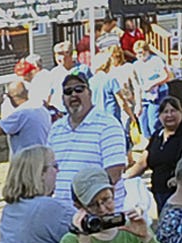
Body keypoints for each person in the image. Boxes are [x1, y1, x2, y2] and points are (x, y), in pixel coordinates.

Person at [50, 70, 129, 206]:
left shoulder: (108, 125)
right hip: (63, 215)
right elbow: (48, 169)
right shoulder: (56, 129)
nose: (73, 94)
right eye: (68, 92)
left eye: (79, 89)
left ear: (90, 93)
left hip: (99, 214)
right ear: (63, 99)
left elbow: (113, 173)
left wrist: (88, 203)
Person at [140, 97, 182, 214]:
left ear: (181, 112)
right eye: (165, 112)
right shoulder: (157, 135)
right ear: (160, 116)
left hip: (180, 192)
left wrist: (180, 178)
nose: (169, 115)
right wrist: (124, 177)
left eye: (173, 111)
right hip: (159, 191)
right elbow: (143, 162)